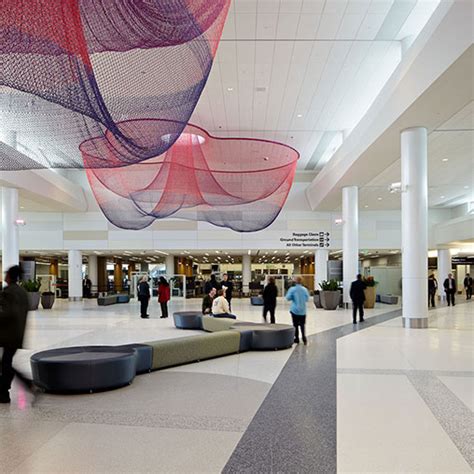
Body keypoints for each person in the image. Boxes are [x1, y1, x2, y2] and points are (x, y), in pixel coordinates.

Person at [0, 265, 29, 403]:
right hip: (17, 334)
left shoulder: (8, 292)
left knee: (5, 363)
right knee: (6, 362)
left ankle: (4, 392)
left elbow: (8, 313)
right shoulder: (22, 292)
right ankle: (5, 390)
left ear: (10, 276)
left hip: (7, 334)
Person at [286, 276, 310, 345]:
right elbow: (307, 299)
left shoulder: (292, 289)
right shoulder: (304, 289)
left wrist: (293, 298)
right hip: (303, 310)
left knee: (295, 324)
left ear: (295, 281)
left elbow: (288, 298)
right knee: (302, 324)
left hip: (294, 310)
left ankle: (296, 338)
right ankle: (304, 337)